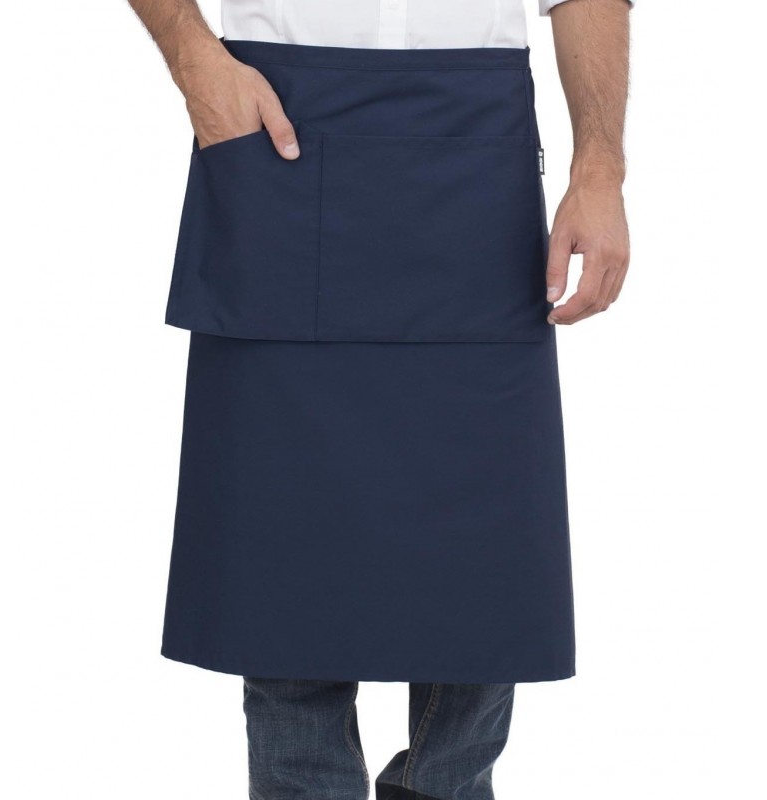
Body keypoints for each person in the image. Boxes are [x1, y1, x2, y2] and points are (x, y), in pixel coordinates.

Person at [127, 1, 632, 797]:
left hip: (475, 156)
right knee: (286, 561)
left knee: (481, 571)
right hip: (279, 126)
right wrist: (195, 63)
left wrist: (599, 171)